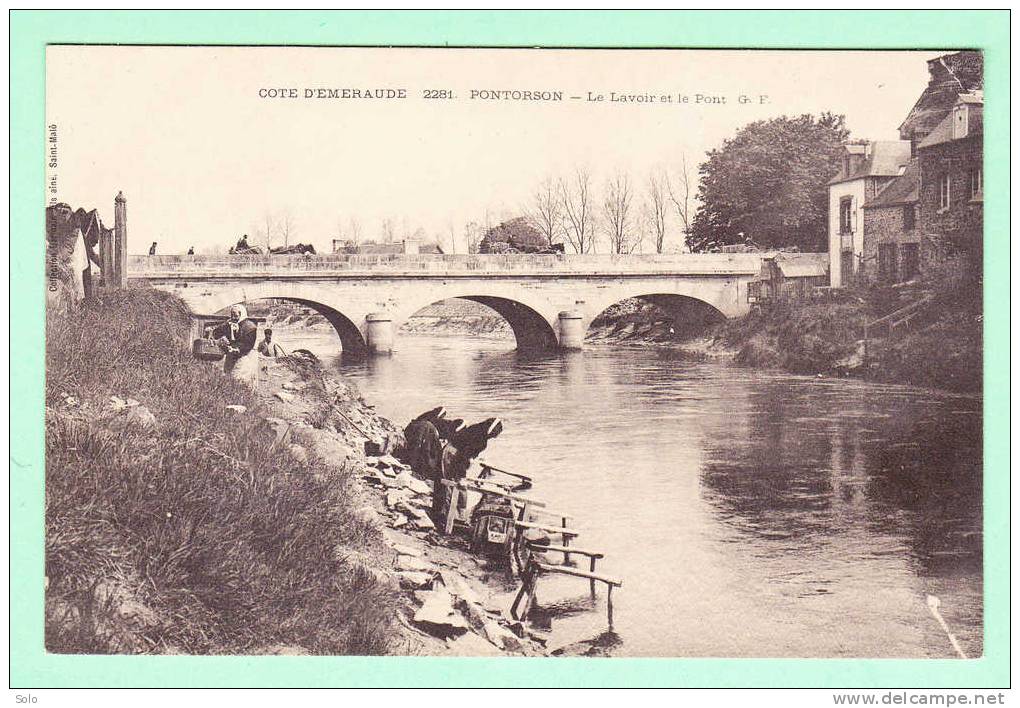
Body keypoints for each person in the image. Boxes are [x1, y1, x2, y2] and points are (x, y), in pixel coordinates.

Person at [212, 304, 259, 390]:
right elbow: (216, 334)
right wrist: (225, 327)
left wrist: (237, 349)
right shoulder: (229, 324)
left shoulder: (250, 327)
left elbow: (248, 345)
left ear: (242, 315)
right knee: (229, 378)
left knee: (243, 379)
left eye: (236, 315)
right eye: (232, 315)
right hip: (231, 356)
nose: (233, 317)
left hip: (246, 357)